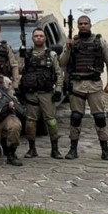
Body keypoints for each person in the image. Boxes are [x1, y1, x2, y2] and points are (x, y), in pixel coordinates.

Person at [59, 15, 108, 160]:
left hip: (94, 85)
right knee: (76, 117)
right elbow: (62, 63)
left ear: (90, 25)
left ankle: (105, 150)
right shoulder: (73, 43)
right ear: (77, 26)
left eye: (85, 23)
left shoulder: (99, 41)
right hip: (77, 85)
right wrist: (67, 48)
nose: (83, 26)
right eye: (80, 24)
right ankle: (73, 150)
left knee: (100, 117)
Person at [20, 27, 64, 159]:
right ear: (32, 38)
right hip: (31, 93)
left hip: (47, 93)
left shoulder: (51, 55)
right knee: (30, 122)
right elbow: (20, 72)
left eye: (41, 36)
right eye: (36, 36)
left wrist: (58, 90)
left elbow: (59, 73)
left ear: (45, 38)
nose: (38, 38)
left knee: (51, 121)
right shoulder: (26, 55)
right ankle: (32, 149)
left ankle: (55, 149)